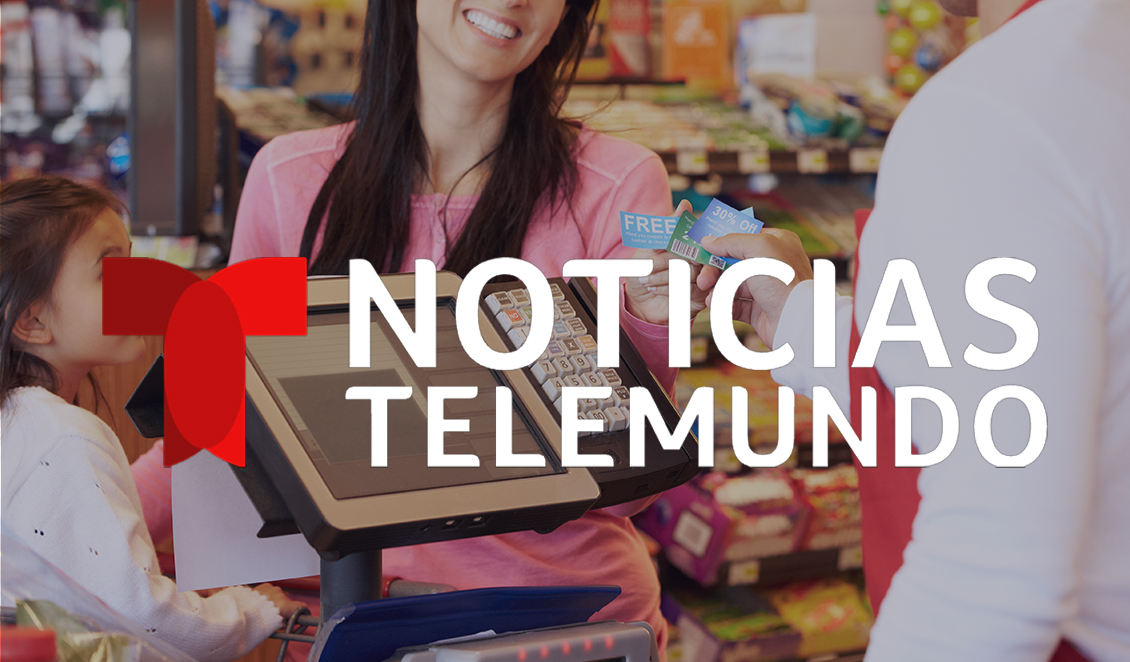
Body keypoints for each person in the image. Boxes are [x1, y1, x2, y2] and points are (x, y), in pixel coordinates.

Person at [133, 0, 707, 656]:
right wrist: (72, 524)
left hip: (556, 623)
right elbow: (215, 429)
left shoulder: (617, 183)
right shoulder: (289, 179)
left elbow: (624, 466)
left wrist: (652, 322)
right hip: (336, 621)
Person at [696, 0, 1130, 660]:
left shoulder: (995, 111)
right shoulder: (1095, 70)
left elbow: (991, 577)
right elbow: (1058, 375)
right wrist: (796, 318)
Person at [0, 176, 304, 662]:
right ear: (32, 321)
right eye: (110, 271)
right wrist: (251, 609)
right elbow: (141, 613)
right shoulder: (63, 437)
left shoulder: (20, 424)